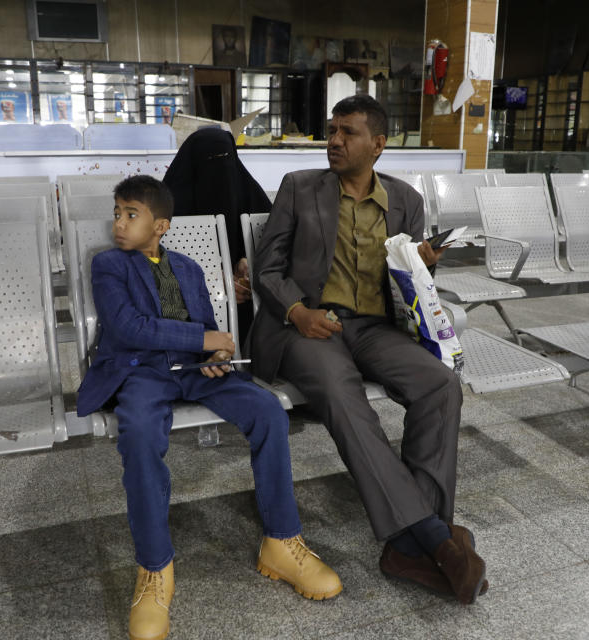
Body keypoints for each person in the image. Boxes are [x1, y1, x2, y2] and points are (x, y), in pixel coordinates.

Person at [76, 175, 341, 640]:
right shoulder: (108, 266)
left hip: (195, 370)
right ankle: (154, 568)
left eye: (130, 214)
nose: (119, 223)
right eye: (116, 213)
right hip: (140, 372)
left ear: (160, 226)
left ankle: (281, 541)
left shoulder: (189, 267)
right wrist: (205, 340)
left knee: (267, 410)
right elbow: (129, 327)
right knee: (138, 433)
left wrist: (217, 355)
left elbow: (210, 327)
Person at [250, 95, 488, 605]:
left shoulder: (405, 200)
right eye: (331, 130)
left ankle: (411, 540)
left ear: (378, 145)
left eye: (347, 132)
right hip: (311, 326)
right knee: (341, 392)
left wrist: (422, 266)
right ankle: (434, 538)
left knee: (440, 384)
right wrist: (297, 312)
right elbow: (267, 270)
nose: (334, 140)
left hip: (377, 327)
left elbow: (409, 287)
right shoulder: (299, 188)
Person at [162, 127, 273, 339]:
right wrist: (213, 280)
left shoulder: (251, 195)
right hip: (187, 307)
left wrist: (249, 264)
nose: (219, 173)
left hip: (248, 307)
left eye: (225, 159)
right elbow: (157, 266)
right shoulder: (166, 210)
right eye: (210, 160)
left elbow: (276, 243)